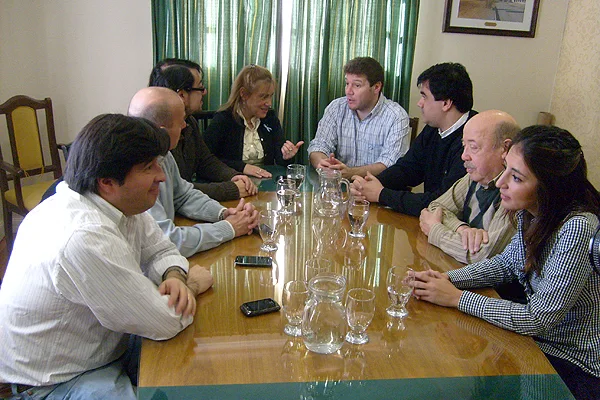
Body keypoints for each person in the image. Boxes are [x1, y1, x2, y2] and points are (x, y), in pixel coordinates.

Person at [0, 114, 214, 399]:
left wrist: (174, 275)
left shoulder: (116, 204)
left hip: (101, 348)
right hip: (58, 381)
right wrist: (193, 284)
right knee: (194, 374)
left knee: (198, 361)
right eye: (149, 167)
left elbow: (161, 250)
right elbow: (165, 321)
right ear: (107, 182)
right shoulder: (84, 235)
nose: (161, 176)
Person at [412, 125, 600, 400]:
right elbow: (505, 263)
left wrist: (456, 298)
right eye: (506, 169)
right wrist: (446, 280)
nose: (500, 183)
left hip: (572, 362)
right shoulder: (532, 212)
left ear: (548, 187)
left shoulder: (577, 228)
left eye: (516, 177)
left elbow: (538, 317)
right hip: (535, 343)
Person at [128, 87, 259, 258]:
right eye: (181, 121)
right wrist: (229, 228)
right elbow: (166, 240)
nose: (185, 125)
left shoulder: (164, 154)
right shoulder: (134, 174)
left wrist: (223, 213)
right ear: (161, 131)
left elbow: (183, 195)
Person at [351, 62, 476, 216]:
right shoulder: (433, 128)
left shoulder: (473, 141)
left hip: (456, 227)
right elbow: (408, 169)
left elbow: (441, 202)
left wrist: (381, 194)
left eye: (424, 96)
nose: (419, 103)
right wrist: (369, 184)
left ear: (446, 103)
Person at [419, 110, 520, 264]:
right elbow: (436, 207)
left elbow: (483, 256)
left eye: (473, 147)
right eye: (463, 146)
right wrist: (462, 229)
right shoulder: (475, 177)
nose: (464, 156)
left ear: (505, 149)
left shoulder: (514, 191)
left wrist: (435, 231)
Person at [149, 59, 258, 201]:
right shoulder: (160, 133)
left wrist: (233, 176)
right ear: (182, 95)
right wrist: (231, 189)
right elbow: (178, 190)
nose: (205, 92)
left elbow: (205, 161)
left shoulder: (190, 122)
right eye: (200, 87)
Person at [307, 57, 410, 179]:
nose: (348, 91)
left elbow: (390, 163)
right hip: (338, 189)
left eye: (357, 85)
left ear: (376, 87)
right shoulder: (336, 107)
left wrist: (350, 173)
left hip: (377, 191)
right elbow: (318, 145)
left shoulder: (396, 116)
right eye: (347, 83)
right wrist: (323, 163)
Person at [204, 65, 303, 177]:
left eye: (271, 96)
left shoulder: (270, 118)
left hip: (265, 183)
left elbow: (279, 159)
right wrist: (243, 167)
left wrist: (286, 156)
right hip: (232, 183)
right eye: (263, 97)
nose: (269, 103)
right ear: (244, 94)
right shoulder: (223, 119)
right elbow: (206, 161)